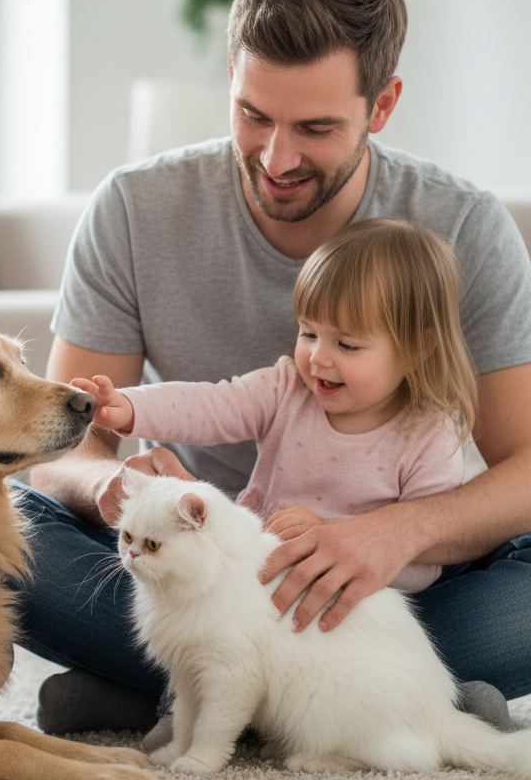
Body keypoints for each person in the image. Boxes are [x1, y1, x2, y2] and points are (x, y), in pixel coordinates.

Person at [12, 0, 531, 737]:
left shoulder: (464, 225)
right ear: (232, 77)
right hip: (196, 571)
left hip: (389, 597)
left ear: (382, 105)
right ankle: (405, 702)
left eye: (316, 128)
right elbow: (61, 448)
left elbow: (524, 465)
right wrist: (111, 484)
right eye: (254, 115)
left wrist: (396, 533)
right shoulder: (134, 209)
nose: (276, 157)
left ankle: (175, 690)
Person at [77, 218, 477, 598]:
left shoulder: (430, 437)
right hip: (245, 585)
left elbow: (424, 567)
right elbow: (211, 405)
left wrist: (328, 535)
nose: (318, 357)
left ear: (416, 349)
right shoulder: (288, 387)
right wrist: (131, 406)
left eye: (347, 344)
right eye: (309, 333)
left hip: (348, 617)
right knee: (43, 526)